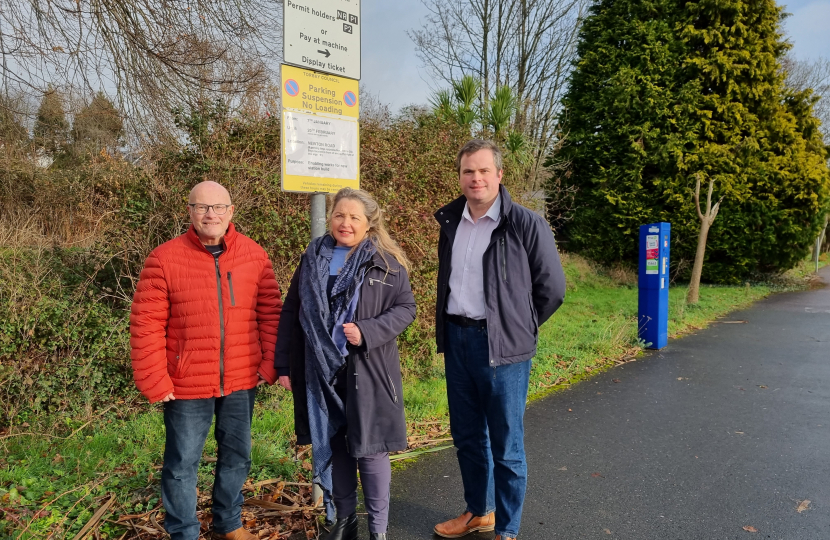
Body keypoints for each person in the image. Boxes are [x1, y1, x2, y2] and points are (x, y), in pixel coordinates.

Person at [130, 181, 282, 540]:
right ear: (190, 211)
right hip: (185, 382)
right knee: (182, 464)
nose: (210, 214)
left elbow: (271, 313)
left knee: (237, 456)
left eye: (217, 207)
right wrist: (154, 379)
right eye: (201, 207)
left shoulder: (254, 255)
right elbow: (146, 324)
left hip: (242, 377)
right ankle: (184, 532)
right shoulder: (164, 258)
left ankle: (228, 523)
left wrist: (270, 364)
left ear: (231, 211)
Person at [432, 140, 566, 540]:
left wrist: (516, 327)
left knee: (507, 446)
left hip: (503, 348)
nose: (476, 178)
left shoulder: (525, 223)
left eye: (483, 170)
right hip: (457, 340)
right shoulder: (451, 221)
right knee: (468, 437)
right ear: (460, 177)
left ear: (499, 175)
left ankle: (507, 530)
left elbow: (552, 289)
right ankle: (479, 511)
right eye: (468, 171)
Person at [274, 187, 416, 540]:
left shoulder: (385, 261)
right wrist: (283, 366)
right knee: (336, 445)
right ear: (330, 217)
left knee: (370, 451)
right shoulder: (313, 256)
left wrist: (367, 330)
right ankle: (345, 521)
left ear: (368, 223)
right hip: (321, 370)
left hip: (367, 371)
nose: (345, 223)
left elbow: (405, 309)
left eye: (354, 217)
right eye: (339, 215)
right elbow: (292, 311)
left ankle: (378, 531)